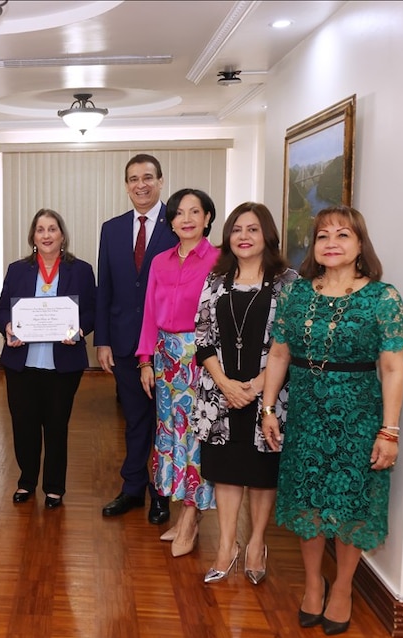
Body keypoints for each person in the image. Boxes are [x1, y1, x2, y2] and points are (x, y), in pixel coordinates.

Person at [261, 206, 403, 636]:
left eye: (343, 235)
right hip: (305, 415)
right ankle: (312, 583)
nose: (331, 243)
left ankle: (342, 587)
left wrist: (390, 430)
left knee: (350, 505)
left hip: (359, 418)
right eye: (323, 236)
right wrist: (269, 408)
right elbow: (280, 355)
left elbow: (393, 368)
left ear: (360, 245)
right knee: (308, 503)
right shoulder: (296, 294)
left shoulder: (383, 298)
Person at [192, 202, 298, 584]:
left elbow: (291, 345)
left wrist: (254, 387)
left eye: (252, 229)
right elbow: (202, 338)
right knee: (225, 471)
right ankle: (226, 546)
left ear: (267, 235)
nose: (244, 236)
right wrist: (224, 384)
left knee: (262, 473)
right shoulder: (216, 280)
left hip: (268, 394)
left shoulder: (289, 282)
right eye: (237, 229)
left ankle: (255, 544)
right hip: (219, 394)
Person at [0, 209, 96, 509]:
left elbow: (91, 309)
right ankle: (26, 482)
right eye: (40, 229)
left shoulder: (81, 269)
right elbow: (1, 309)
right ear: (33, 237)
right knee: (24, 426)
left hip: (62, 364)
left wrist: (79, 330)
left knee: (56, 426)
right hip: (21, 363)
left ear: (62, 235)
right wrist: (8, 326)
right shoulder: (17, 269)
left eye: (52, 229)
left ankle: (54, 488)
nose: (47, 235)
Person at [97, 154, 179, 524]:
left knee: (165, 421)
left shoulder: (178, 225)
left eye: (148, 177)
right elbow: (106, 289)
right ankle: (132, 488)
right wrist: (103, 340)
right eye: (133, 179)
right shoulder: (111, 229)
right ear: (126, 184)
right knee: (135, 420)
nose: (140, 184)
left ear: (161, 181)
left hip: (169, 346)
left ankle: (161, 494)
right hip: (125, 343)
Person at [137, 188, 219, 556]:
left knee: (196, 438)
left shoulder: (220, 260)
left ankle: (191, 516)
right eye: (179, 213)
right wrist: (144, 361)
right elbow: (149, 317)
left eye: (194, 212)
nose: (186, 219)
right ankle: (183, 509)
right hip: (165, 357)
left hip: (201, 358)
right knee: (171, 434)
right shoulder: (160, 261)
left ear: (207, 218)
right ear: (170, 221)